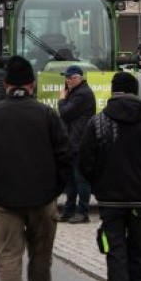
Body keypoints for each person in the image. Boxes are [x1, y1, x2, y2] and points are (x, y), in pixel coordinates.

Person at [0, 55, 69, 281]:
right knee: (41, 258)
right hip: (43, 200)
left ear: (6, 85)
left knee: (8, 257)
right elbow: (65, 157)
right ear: (32, 85)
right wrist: (55, 190)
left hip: (5, 201)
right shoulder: (48, 115)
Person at [79, 72, 141, 281]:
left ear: (112, 91)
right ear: (136, 92)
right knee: (139, 253)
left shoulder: (97, 122)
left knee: (115, 253)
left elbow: (84, 162)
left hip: (110, 202)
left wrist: (98, 185)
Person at [57, 65, 95, 224]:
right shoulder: (77, 93)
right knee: (71, 180)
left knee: (81, 179)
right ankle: (68, 211)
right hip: (73, 141)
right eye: (66, 78)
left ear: (78, 78)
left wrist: (61, 98)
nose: (67, 80)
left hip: (79, 142)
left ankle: (83, 212)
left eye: (70, 78)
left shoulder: (82, 94)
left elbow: (65, 113)